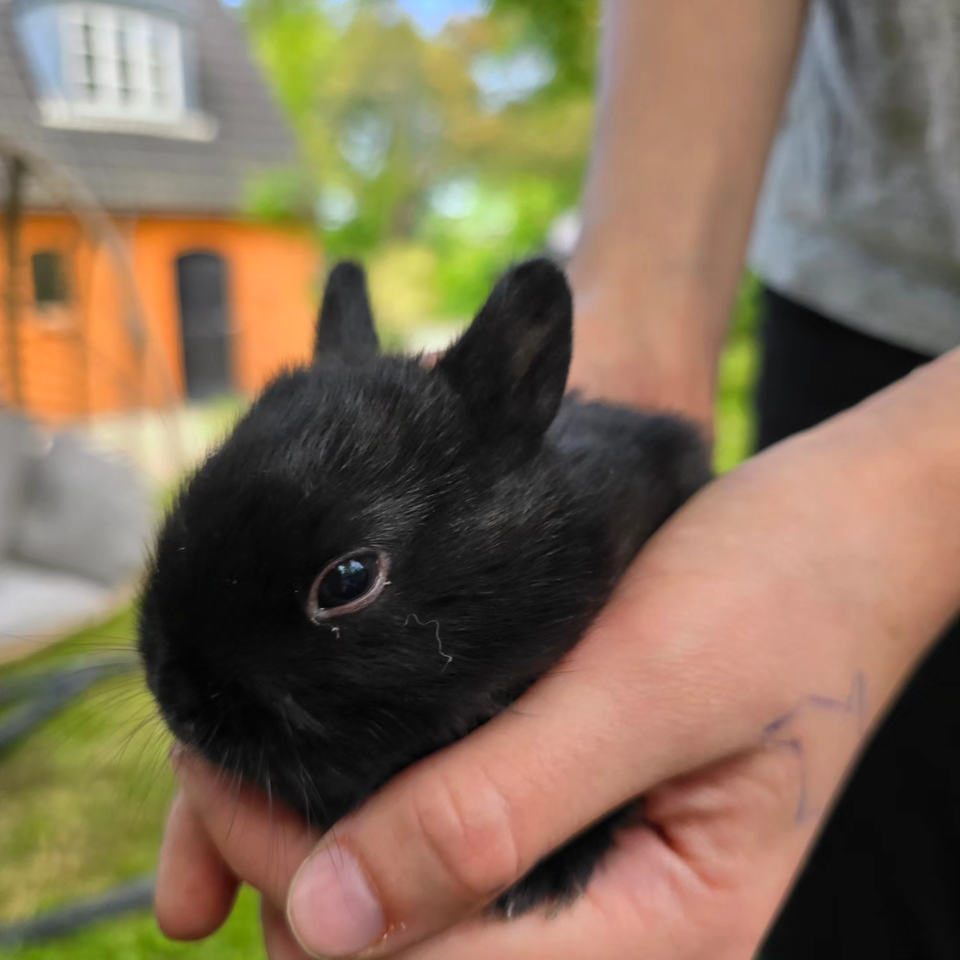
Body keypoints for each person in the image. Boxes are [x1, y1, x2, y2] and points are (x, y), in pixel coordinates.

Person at [154, 2, 960, 957]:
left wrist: (883, 534)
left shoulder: (552, 513)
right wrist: (650, 297)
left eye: (344, 586)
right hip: (857, 269)